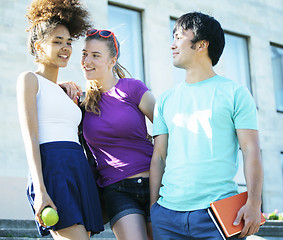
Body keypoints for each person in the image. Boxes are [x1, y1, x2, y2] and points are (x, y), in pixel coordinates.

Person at [149, 12, 263, 240]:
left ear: (201, 45)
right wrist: (153, 210)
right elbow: (159, 157)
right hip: (167, 217)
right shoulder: (164, 100)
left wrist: (254, 202)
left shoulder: (235, 93)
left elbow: (251, 150)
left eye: (179, 37)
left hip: (218, 217)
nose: (172, 45)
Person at [17, 0, 104, 239]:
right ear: (39, 45)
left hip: (79, 167)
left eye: (68, 42)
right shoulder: (29, 79)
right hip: (53, 168)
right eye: (57, 42)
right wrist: (40, 190)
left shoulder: (67, 91)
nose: (65, 48)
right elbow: (30, 136)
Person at [80, 29, 155, 240]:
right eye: (84, 54)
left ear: (112, 60)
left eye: (95, 55)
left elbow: (165, 128)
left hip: (154, 183)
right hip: (116, 190)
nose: (87, 60)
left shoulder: (132, 88)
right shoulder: (83, 104)